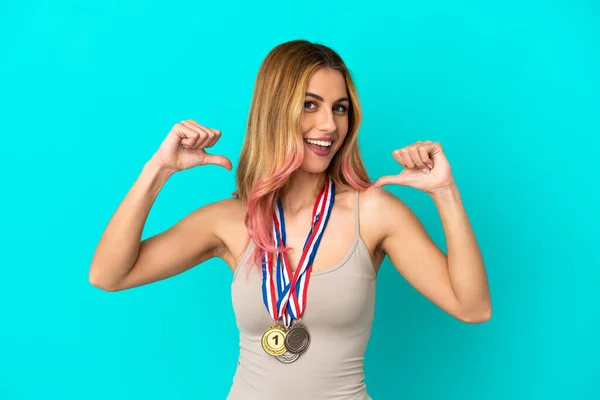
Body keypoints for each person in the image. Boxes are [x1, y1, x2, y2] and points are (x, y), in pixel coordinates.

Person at [89, 40, 492, 400]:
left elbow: (472, 307)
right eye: (309, 105)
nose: (329, 125)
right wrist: (158, 169)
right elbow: (109, 274)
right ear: (275, 111)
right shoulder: (229, 220)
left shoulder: (373, 213)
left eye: (340, 109)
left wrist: (445, 192)